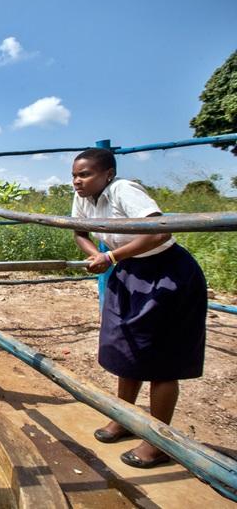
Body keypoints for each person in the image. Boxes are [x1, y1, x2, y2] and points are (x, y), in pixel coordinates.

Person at [70, 147, 206, 469]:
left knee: (163, 360)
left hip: (167, 273)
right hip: (130, 272)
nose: (78, 181)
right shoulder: (83, 198)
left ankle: (158, 440)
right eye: (75, 175)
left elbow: (160, 230)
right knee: (125, 350)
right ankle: (124, 419)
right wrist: (96, 254)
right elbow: (79, 231)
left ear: (108, 174)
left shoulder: (123, 191)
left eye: (85, 174)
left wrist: (112, 257)